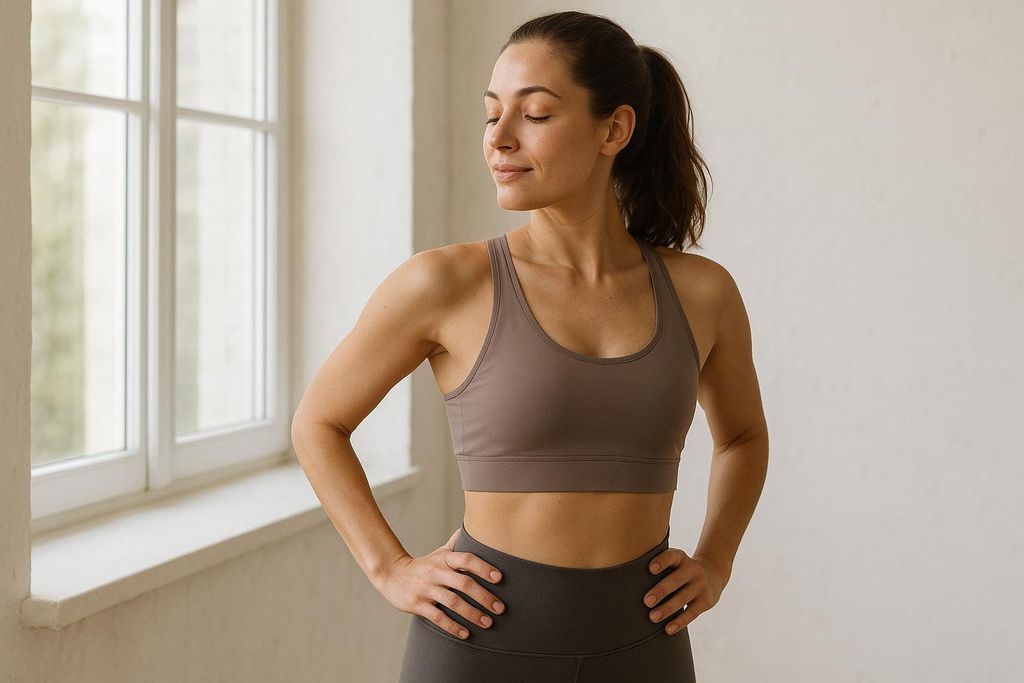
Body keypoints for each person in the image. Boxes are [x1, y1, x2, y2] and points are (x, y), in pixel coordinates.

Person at [291, 10, 768, 682]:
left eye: (535, 114)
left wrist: (716, 560)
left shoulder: (704, 293)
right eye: (492, 115)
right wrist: (390, 567)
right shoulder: (444, 283)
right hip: (477, 648)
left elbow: (743, 436)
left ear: (615, 129)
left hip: (645, 649)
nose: (499, 139)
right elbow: (318, 422)